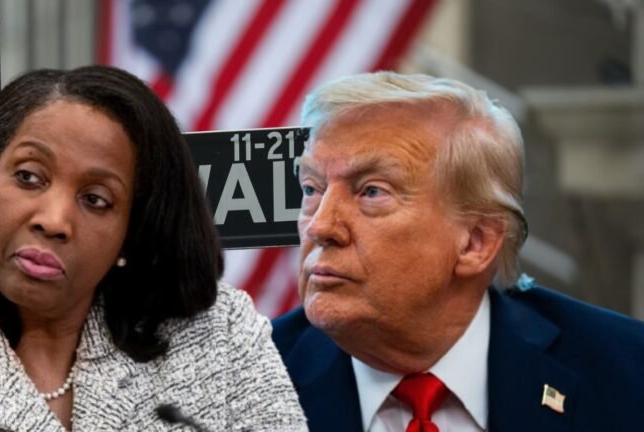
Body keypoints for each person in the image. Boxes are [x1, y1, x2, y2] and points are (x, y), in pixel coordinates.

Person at [0, 65, 306, 431]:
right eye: (29, 177)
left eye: (96, 200)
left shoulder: (219, 335)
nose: (54, 221)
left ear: (130, 233)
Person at [272, 71, 644, 432]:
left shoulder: (628, 373)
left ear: (475, 243)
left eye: (372, 191)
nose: (320, 227)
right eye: (311, 189)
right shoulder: (246, 383)